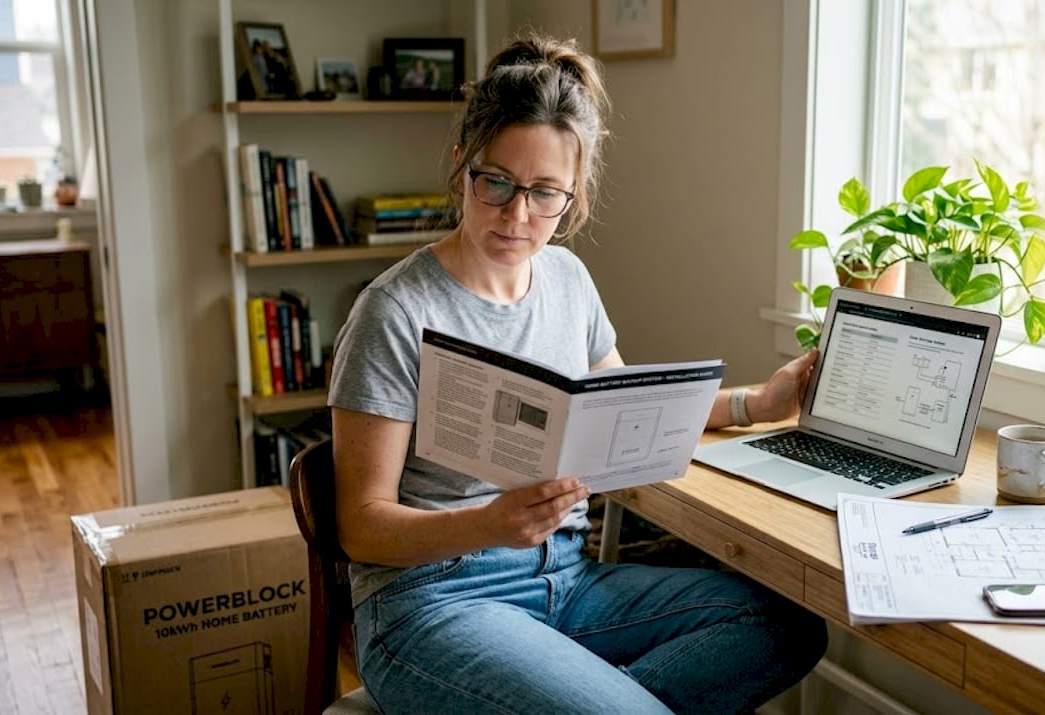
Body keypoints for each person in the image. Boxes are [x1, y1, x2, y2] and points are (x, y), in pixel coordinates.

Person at [329, 32, 829, 714]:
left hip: (565, 578)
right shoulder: (394, 309)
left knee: (788, 626)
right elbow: (360, 526)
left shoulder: (567, 279)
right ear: (461, 164)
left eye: (544, 193)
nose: (517, 214)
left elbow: (625, 409)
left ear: (574, 193)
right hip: (430, 600)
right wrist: (488, 523)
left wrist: (756, 402)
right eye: (496, 182)